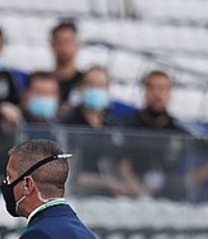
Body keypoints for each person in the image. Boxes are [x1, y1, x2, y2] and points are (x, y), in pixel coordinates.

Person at [122, 70, 208, 202]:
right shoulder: (128, 127)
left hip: (172, 199)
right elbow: (119, 164)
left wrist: (188, 181)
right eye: (152, 88)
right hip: (133, 198)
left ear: (170, 93)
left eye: (162, 88)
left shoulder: (180, 129)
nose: (157, 94)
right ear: (144, 91)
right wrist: (140, 192)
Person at [61, 66, 145, 198]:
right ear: (81, 87)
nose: (96, 90)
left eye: (100, 86)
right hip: (78, 195)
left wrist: (134, 186)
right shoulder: (68, 123)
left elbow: (122, 164)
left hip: (113, 196)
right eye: (91, 85)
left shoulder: (115, 124)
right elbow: (69, 170)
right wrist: (107, 182)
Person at [50, 22, 82, 105]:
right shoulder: (44, 83)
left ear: (77, 46)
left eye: (68, 42)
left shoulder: (84, 82)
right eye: (59, 42)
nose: (64, 47)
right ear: (52, 45)